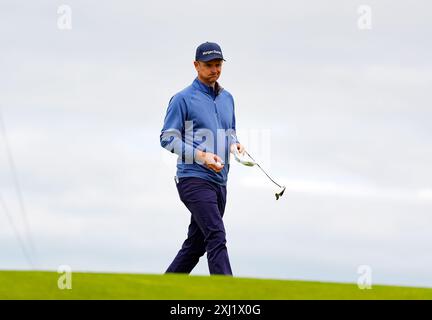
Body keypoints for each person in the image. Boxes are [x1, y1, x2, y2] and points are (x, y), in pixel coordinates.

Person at [159, 42, 245, 275]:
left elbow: (231, 131)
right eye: (209, 65)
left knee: (195, 246)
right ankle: (226, 295)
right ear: (196, 65)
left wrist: (235, 145)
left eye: (218, 65)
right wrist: (201, 155)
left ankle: (162, 289)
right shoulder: (182, 99)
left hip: (220, 182)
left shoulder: (228, 98)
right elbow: (167, 138)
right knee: (217, 234)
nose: (214, 70)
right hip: (193, 179)